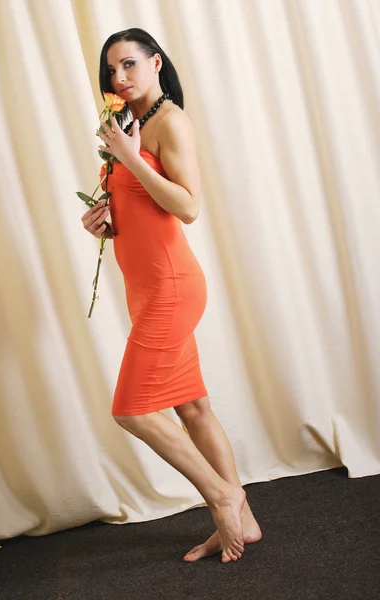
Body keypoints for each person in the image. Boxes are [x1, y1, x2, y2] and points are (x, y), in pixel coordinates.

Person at [81, 27, 262, 564]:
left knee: (131, 410)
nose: (119, 78)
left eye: (129, 65)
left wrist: (130, 158)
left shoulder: (170, 122)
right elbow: (140, 209)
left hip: (172, 286)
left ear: (155, 63)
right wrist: (104, 223)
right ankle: (244, 523)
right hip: (145, 288)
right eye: (111, 70)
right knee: (194, 410)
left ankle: (224, 495)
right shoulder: (129, 126)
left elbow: (188, 207)